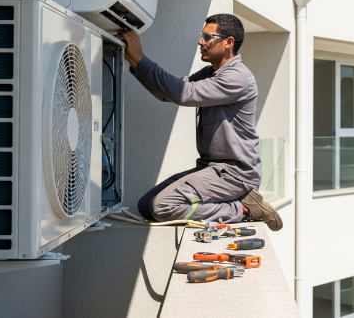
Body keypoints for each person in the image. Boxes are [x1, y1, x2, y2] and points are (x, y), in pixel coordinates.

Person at [116, 14, 283, 231]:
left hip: (235, 173)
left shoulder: (237, 78)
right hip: (211, 168)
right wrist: (134, 63)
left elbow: (184, 93)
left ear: (228, 42)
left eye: (207, 36)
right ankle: (235, 206)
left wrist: (140, 57)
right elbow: (169, 93)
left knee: (164, 206)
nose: (200, 42)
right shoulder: (211, 73)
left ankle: (244, 209)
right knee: (147, 206)